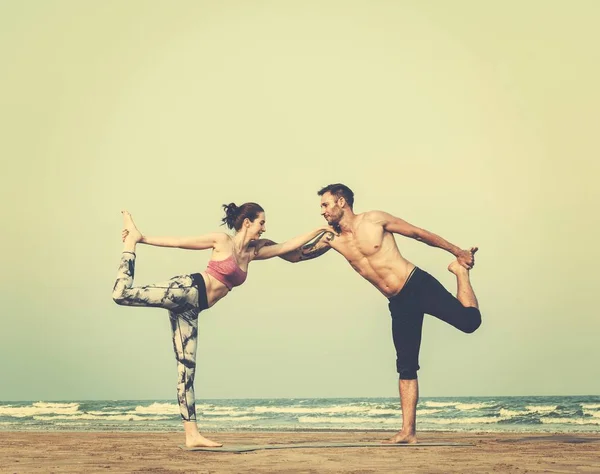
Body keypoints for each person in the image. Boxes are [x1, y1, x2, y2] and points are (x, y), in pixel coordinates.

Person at [259, 184, 481, 444]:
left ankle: (460, 273)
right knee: (406, 366)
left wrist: (458, 252)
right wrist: (267, 245)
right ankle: (408, 433)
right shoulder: (332, 238)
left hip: (417, 284)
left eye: (325, 205)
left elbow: (419, 234)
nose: (322, 211)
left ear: (341, 202)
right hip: (398, 302)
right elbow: (298, 256)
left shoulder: (375, 219)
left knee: (469, 323)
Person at [112, 203, 327, 448]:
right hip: (187, 289)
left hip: (193, 309)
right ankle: (129, 244)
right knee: (121, 294)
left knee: (186, 370)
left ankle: (192, 436)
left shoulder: (253, 252)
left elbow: (288, 246)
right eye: (261, 222)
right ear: (247, 222)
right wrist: (141, 239)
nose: (264, 228)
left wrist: (320, 231)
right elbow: (180, 241)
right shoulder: (222, 241)